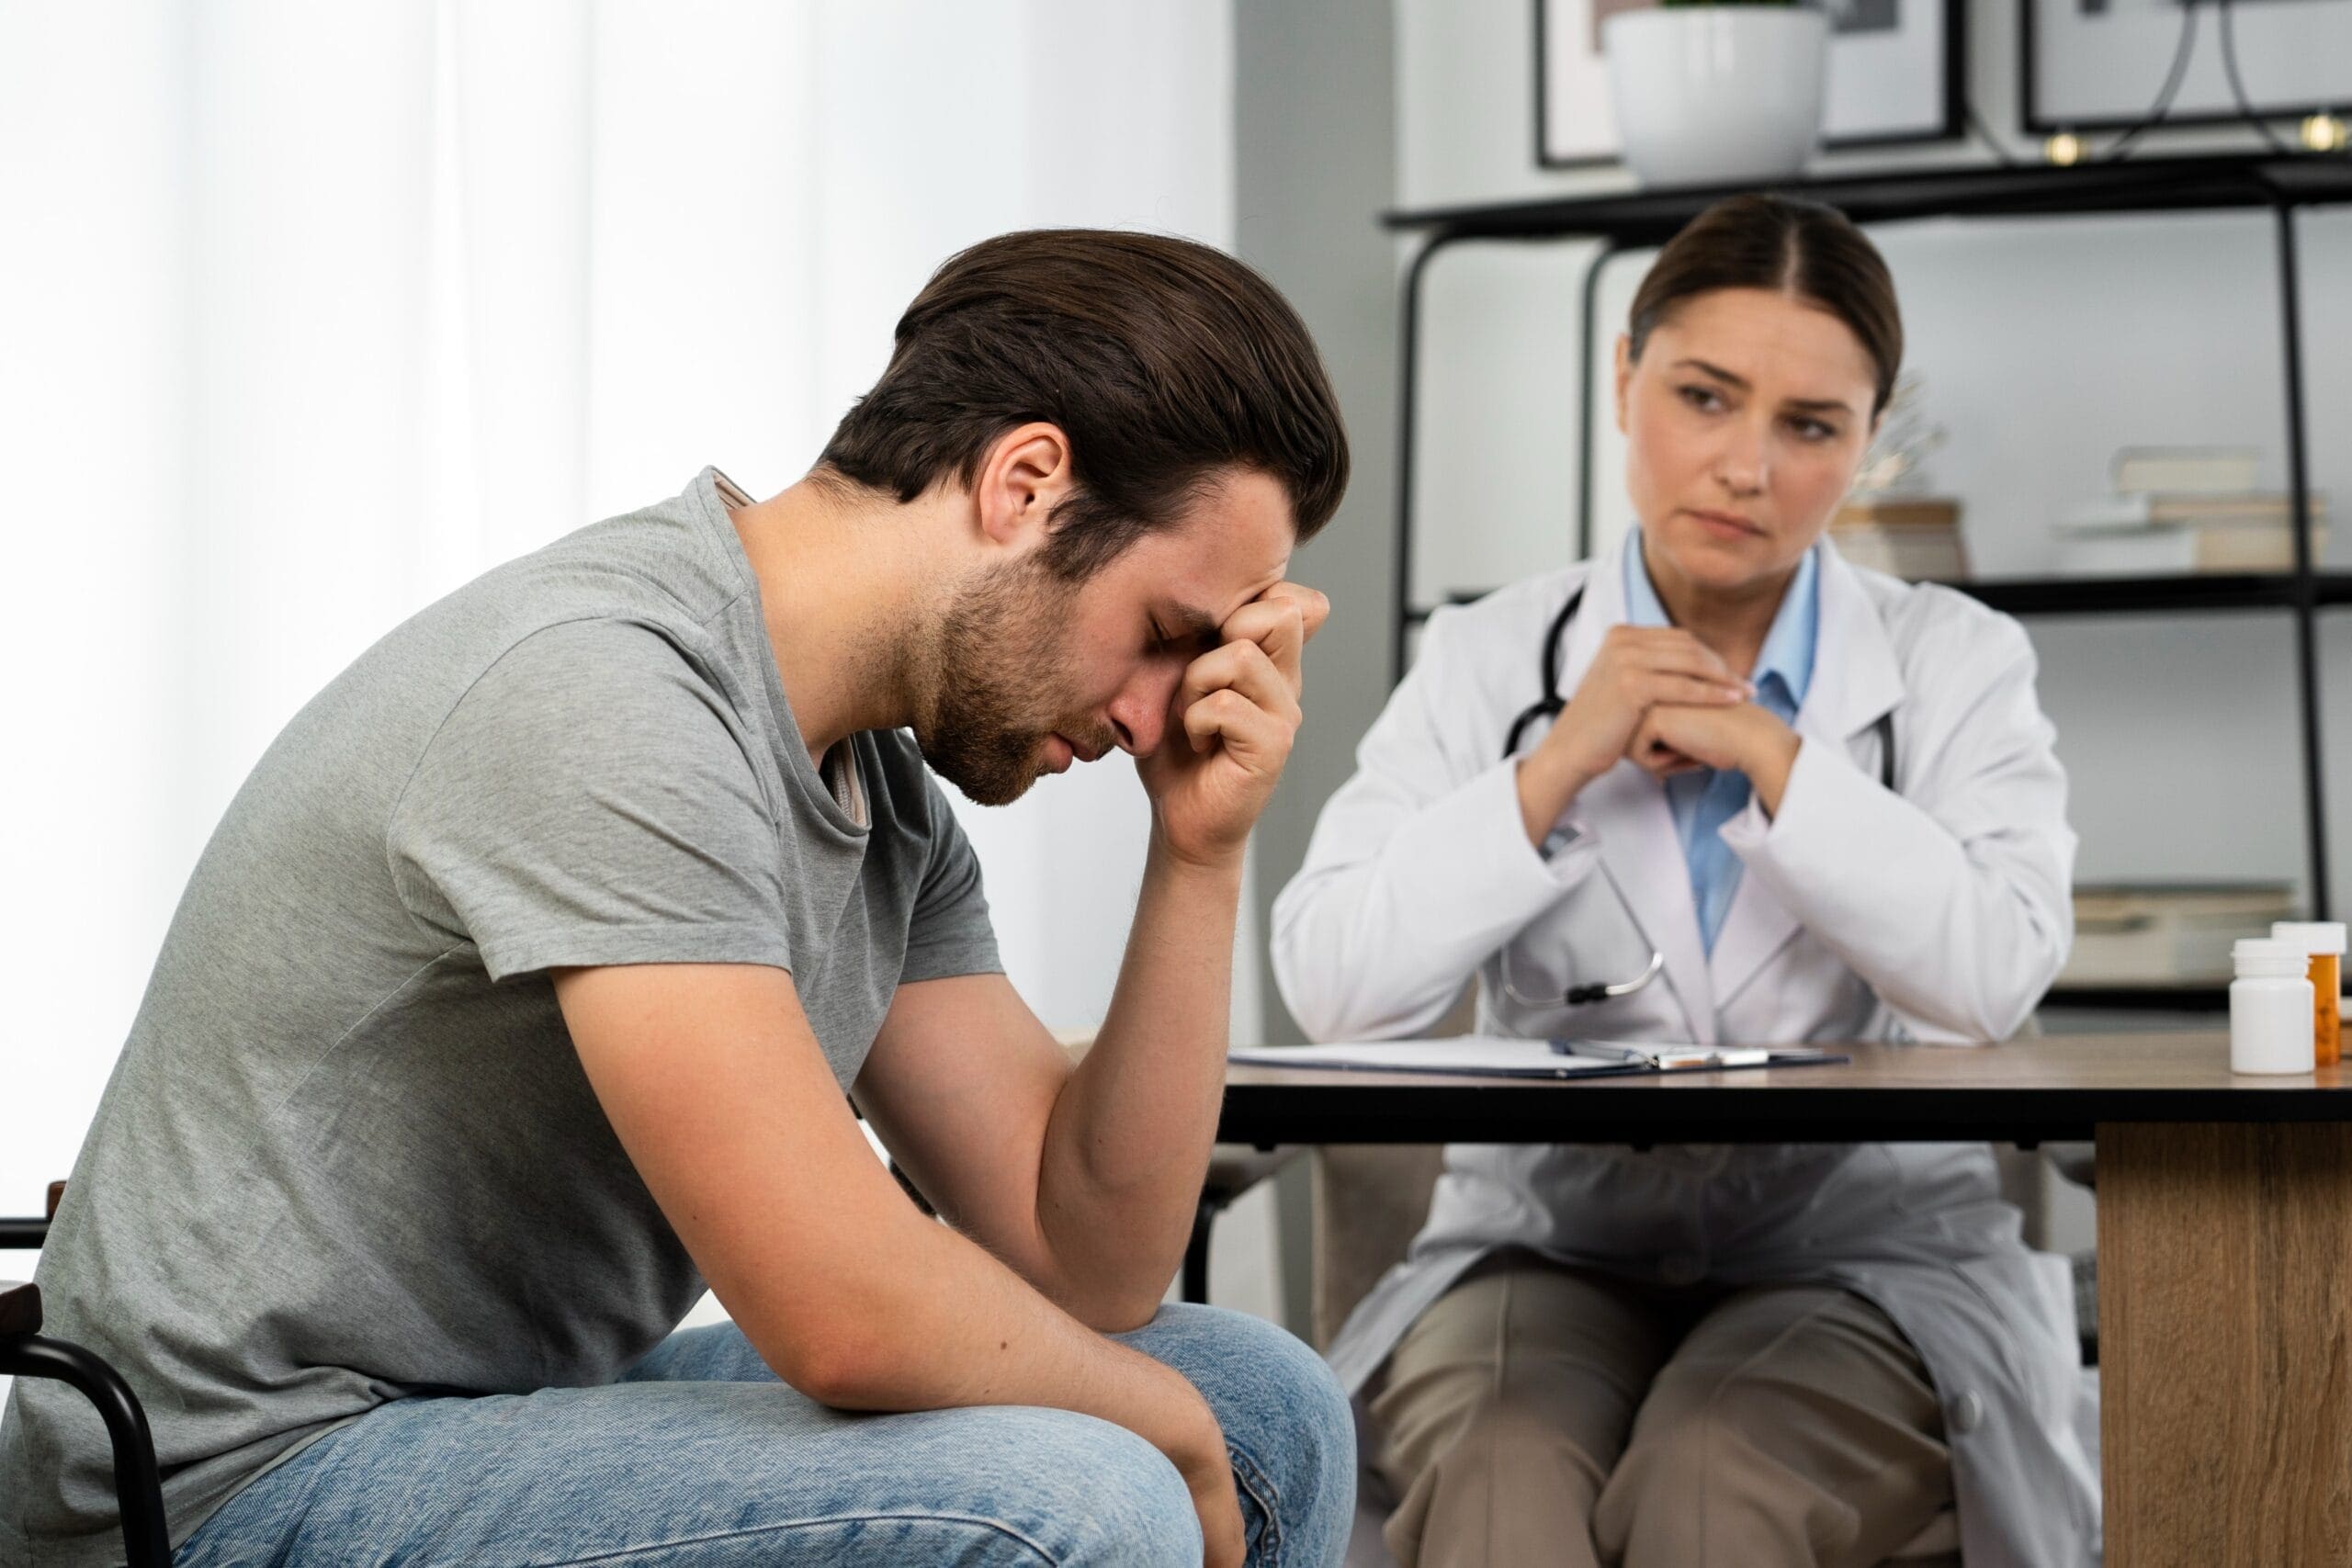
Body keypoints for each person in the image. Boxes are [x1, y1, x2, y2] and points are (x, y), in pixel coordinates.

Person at [3, 230, 1357, 1568]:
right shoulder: (610, 694)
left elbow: (1086, 1261)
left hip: (494, 1413)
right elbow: (839, 1309)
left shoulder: (882, 800)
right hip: (225, 1482)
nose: (1151, 713)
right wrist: (1157, 1433)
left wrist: (1200, 848)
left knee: (1265, 1409)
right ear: (1024, 484)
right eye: (1167, 636)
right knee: (1078, 1492)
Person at [1272, 196, 2093, 1568]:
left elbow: (1995, 975)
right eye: (1705, 398)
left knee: (1718, 1481)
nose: (1746, 467)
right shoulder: (1493, 659)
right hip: (1548, 1241)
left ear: (1867, 442)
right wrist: (1555, 768)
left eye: (1810, 427)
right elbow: (1336, 984)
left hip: (1865, 1249)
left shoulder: (1954, 662)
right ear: (1622, 379)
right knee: (1497, 1468)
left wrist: (1777, 759)